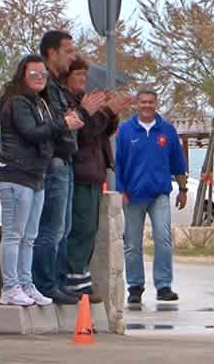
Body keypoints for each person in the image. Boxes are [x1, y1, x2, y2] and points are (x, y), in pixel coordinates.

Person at [0, 55, 84, 306]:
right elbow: (31, 133)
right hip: (15, 174)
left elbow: (48, 133)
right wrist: (62, 124)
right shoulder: (18, 102)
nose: (39, 78)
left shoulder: (40, 103)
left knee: (30, 235)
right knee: (14, 234)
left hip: (36, 175)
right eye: (33, 74)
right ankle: (10, 286)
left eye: (43, 74)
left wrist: (64, 125)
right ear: (22, 75)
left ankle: (26, 283)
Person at [33, 31, 104, 304]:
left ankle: (58, 282)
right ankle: (46, 283)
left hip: (66, 160)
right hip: (54, 162)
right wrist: (84, 112)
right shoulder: (46, 87)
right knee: (50, 230)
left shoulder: (57, 88)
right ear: (52, 53)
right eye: (69, 51)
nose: (72, 57)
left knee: (62, 229)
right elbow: (58, 124)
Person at [62, 57, 132, 301]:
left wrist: (110, 114)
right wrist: (105, 112)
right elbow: (86, 131)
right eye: (78, 75)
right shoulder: (70, 104)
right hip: (81, 172)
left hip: (94, 171)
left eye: (84, 75)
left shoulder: (83, 103)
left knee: (89, 229)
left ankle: (81, 278)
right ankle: (74, 278)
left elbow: (102, 131)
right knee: (80, 228)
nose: (83, 80)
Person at [115, 89, 188, 305]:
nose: (147, 106)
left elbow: (178, 163)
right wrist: (120, 191)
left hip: (160, 195)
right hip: (133, 195)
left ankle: (164, 286)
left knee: (164, 240)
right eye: (143, 102)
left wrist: (183, 190)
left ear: (156, 104)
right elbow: (117, 163)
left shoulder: (167, 130)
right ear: (137, 104)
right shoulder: (125, 130)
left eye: (151, 102)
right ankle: (135, 286)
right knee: (132, 244)